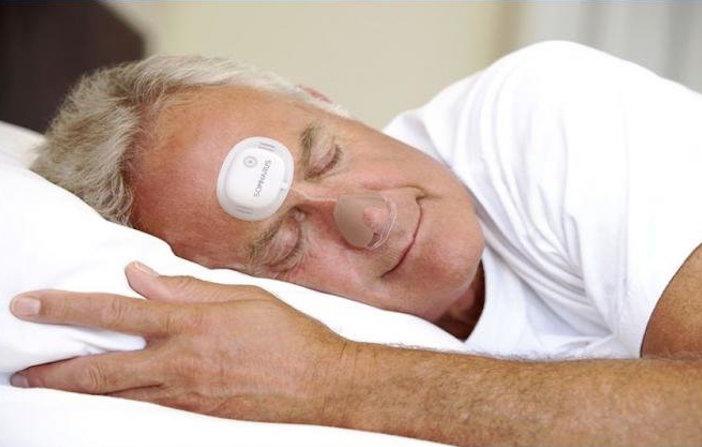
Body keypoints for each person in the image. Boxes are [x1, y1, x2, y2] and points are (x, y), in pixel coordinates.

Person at [9, 41, 702, 445]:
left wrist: (330, 376)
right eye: (285, 242)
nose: (367, 217)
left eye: (327, 155)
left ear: (324, 103)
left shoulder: (545, 108)